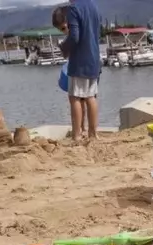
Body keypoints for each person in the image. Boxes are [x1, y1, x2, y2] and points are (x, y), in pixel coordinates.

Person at [57, 0, 103, 143]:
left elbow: (75, 36)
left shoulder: (73, 9)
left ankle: (77, 135)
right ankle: (93, 134)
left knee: (75, 97)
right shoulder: (94, 6)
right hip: (94, 58)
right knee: (91, 97)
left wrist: (64, 47)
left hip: (80, 61)